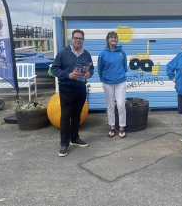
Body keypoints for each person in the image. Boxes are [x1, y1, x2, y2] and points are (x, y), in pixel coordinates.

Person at [51, 29, 94, 157]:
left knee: (77, 115)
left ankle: (74, 138)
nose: (78, 40)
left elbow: (91, 68)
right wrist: (67, 75)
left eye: (80, 38)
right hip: (67, 89)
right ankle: (64, 144)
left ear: (83, 40)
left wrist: (88, 74)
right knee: (65, 117)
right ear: (72, 39)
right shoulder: (63, 53)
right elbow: (54, 69)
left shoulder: (86, 54)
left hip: (80, 89)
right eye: (76, 38)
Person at [98, 31, 128, 138]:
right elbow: (100, 69)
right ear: (107, 40)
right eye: (111, 37)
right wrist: (104, 78)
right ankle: (112, 126)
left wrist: (121, 75)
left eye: (115, 37)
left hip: (121, 82)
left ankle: (121, 127)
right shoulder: (103, 54)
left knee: (121, 105)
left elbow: (125, 67)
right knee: (110, 106)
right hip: (107, 83)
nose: (113, 39)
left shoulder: (122, 53)